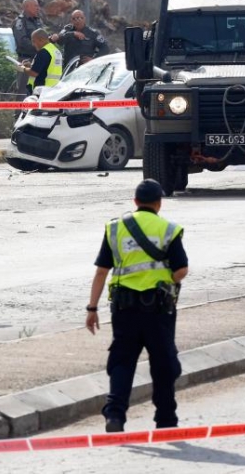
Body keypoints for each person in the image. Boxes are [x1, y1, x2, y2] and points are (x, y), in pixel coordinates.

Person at [86, 179, 188, 432]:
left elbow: (101, 272)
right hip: (158, 309)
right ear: (159, 204)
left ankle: (115, 415)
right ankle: (166, 420)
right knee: (163, 363)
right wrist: (164, 281)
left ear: (135, 202)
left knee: (122, 361)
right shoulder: (168, 229)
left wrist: (92, 308)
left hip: (124, 308)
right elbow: (181, 270)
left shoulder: (114, 228)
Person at [11, 0, 46, 93]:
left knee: (37, 89)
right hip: (26, 60)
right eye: (35, 5)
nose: (38, 8)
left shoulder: (38, 21)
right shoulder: (20, 21)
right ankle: (20, 108)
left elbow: (44, 36)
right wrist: (40, 45)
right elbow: (22, 41)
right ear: (26, 7)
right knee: (23, 90)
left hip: (38, 59)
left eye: (38, 5)